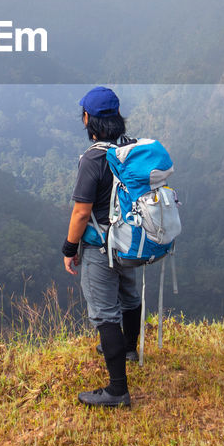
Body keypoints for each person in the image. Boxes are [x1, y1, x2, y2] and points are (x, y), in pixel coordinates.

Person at [61, 86, 143, 407]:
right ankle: (130, 348)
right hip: (129, 240)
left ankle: (117, 390)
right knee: (129, 296)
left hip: (100, 247)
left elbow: (81, 212)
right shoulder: (130, 149)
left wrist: (70, 249)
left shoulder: (93, 159)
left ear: (88, 119)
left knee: (105, 315)